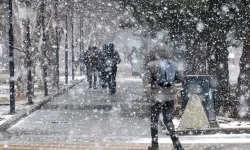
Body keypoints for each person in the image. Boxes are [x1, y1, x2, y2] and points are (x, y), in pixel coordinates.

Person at [142, 46, 184, 150]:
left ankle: (155, 145)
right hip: (170, 96)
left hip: (157, 97)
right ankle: (176, 143)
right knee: (168, 120)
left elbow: (146, 80)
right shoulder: (173, 64)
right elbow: (180, 78)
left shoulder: (150, 65)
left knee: (154, 120)